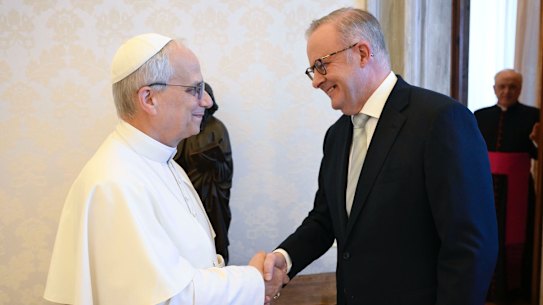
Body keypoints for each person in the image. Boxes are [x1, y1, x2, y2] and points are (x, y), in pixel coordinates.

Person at [263, 7, 498, 305]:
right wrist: (286, 258)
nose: (316, 81)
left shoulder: (441, 120)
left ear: (362, 53)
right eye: (313, 70)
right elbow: (325, 221)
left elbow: (471, 245)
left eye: (322, 65)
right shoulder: (336, 136)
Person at [43, 33, 284, 305]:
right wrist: (253, 280)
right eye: (194, 89)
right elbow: (169, 298)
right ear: (149, 98)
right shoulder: (116, 183)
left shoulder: (164, 161)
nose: (206, 101)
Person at [474, 69, 540, 303]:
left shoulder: (534, 116)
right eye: (502, 86)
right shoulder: (480, 115)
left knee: (516, 242)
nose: (507, 91)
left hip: (518, 190)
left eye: (512, 87)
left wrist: (537, 141)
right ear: (494, 89)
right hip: (486, 188)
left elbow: (536, 154)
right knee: (485, 237)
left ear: (520, 90)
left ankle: (515, 295)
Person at [174, 82, 233, 264]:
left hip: (214, 194)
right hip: (191, 190)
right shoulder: (186, 127)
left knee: (217, 231)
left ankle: (221, 267)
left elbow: (226, 166)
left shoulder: (217, 128)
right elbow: (177, 162)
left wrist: (212, 162)